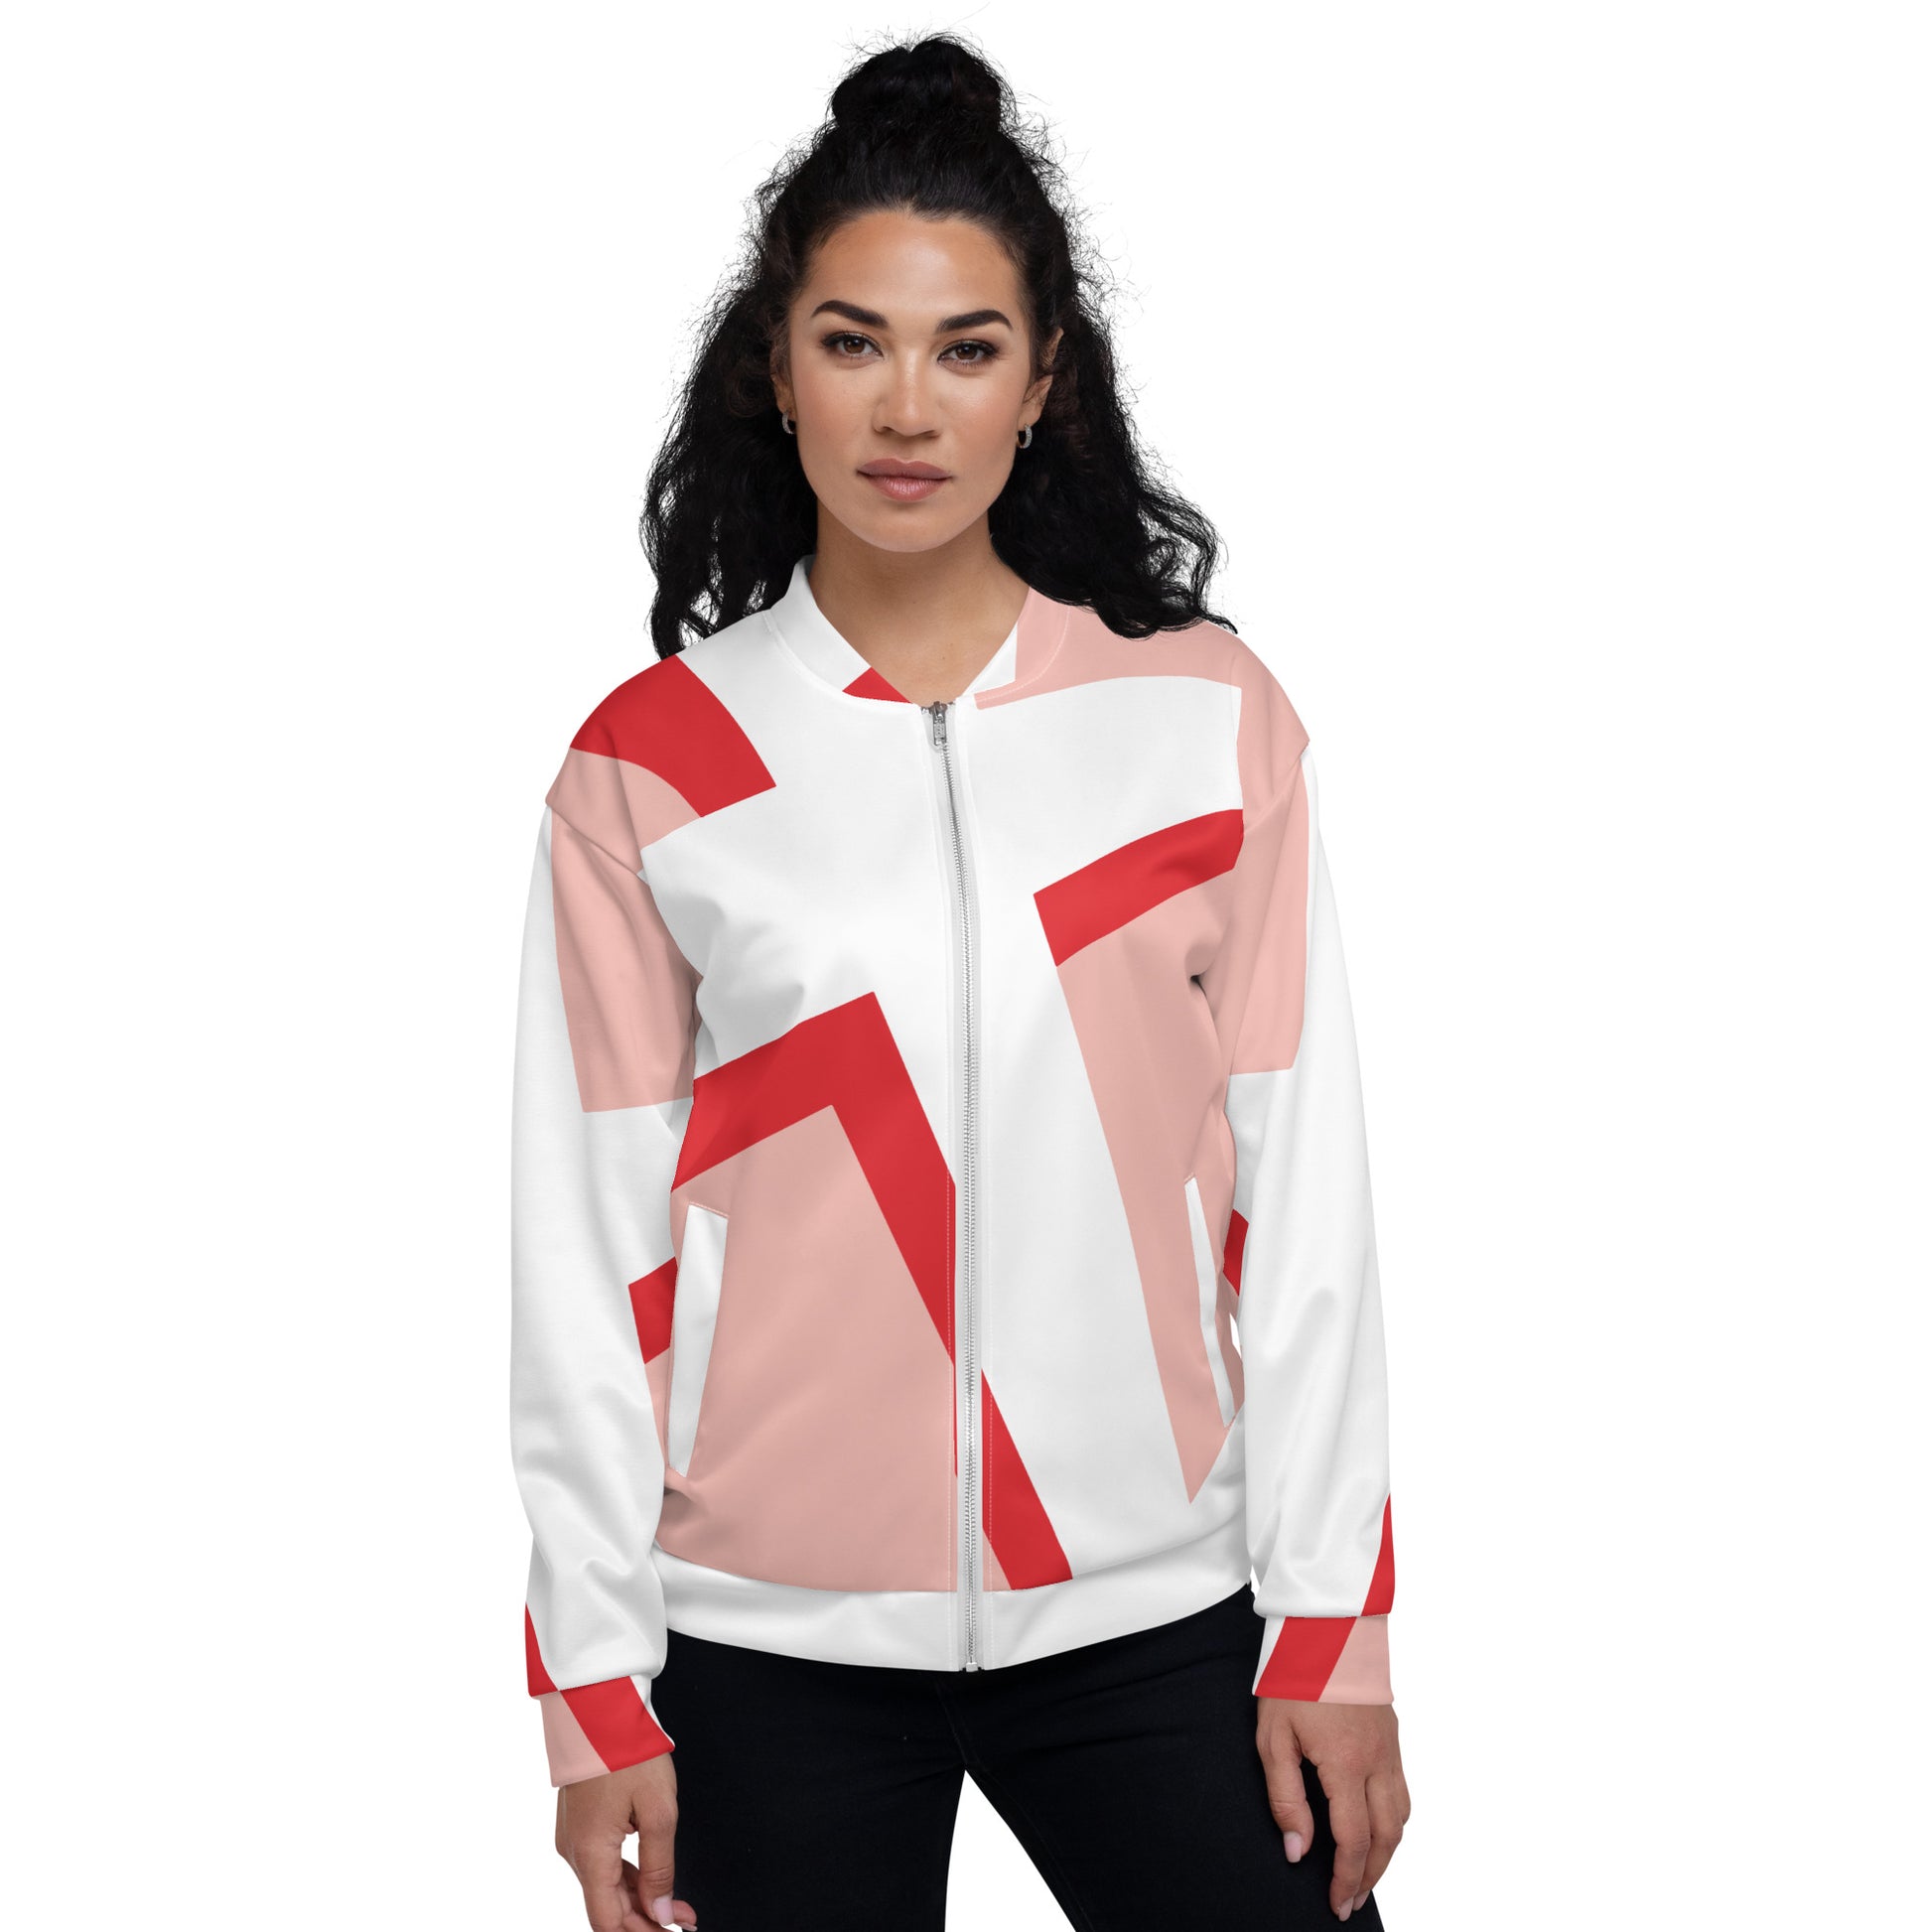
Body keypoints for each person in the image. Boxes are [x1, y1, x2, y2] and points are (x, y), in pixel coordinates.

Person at [509, 31, 1411, 1931]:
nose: (905, 406)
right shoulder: (653, 765)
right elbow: (585, 1256)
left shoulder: (1201, 719)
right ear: (777, 371)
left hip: (1154, 1609)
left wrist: (1332, 1619)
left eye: (965, 347)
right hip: (764, 1642)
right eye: (852, 342)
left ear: (1042, 378)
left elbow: (1303, 1203)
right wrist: (592, 1681)